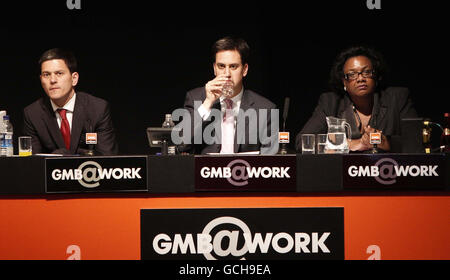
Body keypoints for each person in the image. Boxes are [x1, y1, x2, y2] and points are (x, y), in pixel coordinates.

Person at [296, 45, 418, 152]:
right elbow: (302, 141)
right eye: (352, 74)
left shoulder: (397, 98)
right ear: (344, 82)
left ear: (376, 76)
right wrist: (351, 144)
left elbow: (416, 141)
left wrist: (388, 143)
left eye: (366, 72)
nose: (360, 79)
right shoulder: (330, 102)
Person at [182, 36, 278, 154]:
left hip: (245, 171)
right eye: (221, 66)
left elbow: (271, 160)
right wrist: (207, 103)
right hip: (205, 171)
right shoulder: (195, 98)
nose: (227, 73)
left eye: (233, 66)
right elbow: (181, 144)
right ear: (214, 69)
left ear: (245, 70)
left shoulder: (266, 108)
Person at [23, 48, 119, 155]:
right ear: (41, 79)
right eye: (46, 75)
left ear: (74, 79)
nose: (52, 80)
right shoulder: (33, 114)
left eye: (59, 73)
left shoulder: (97, 109)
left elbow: (107, 159)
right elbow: (32, 163)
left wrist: (63, 155)